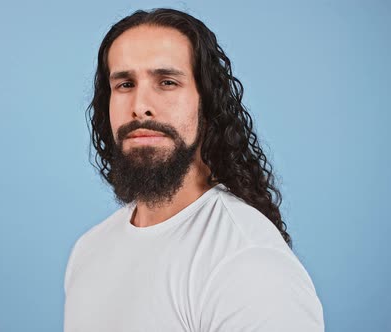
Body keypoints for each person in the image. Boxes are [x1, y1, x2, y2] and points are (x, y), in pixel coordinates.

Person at [64, 8, 324, 332]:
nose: (140, 105)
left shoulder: (247, 264)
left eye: (167, 82)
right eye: (125, 84)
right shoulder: (88, 250)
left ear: (207, 104)